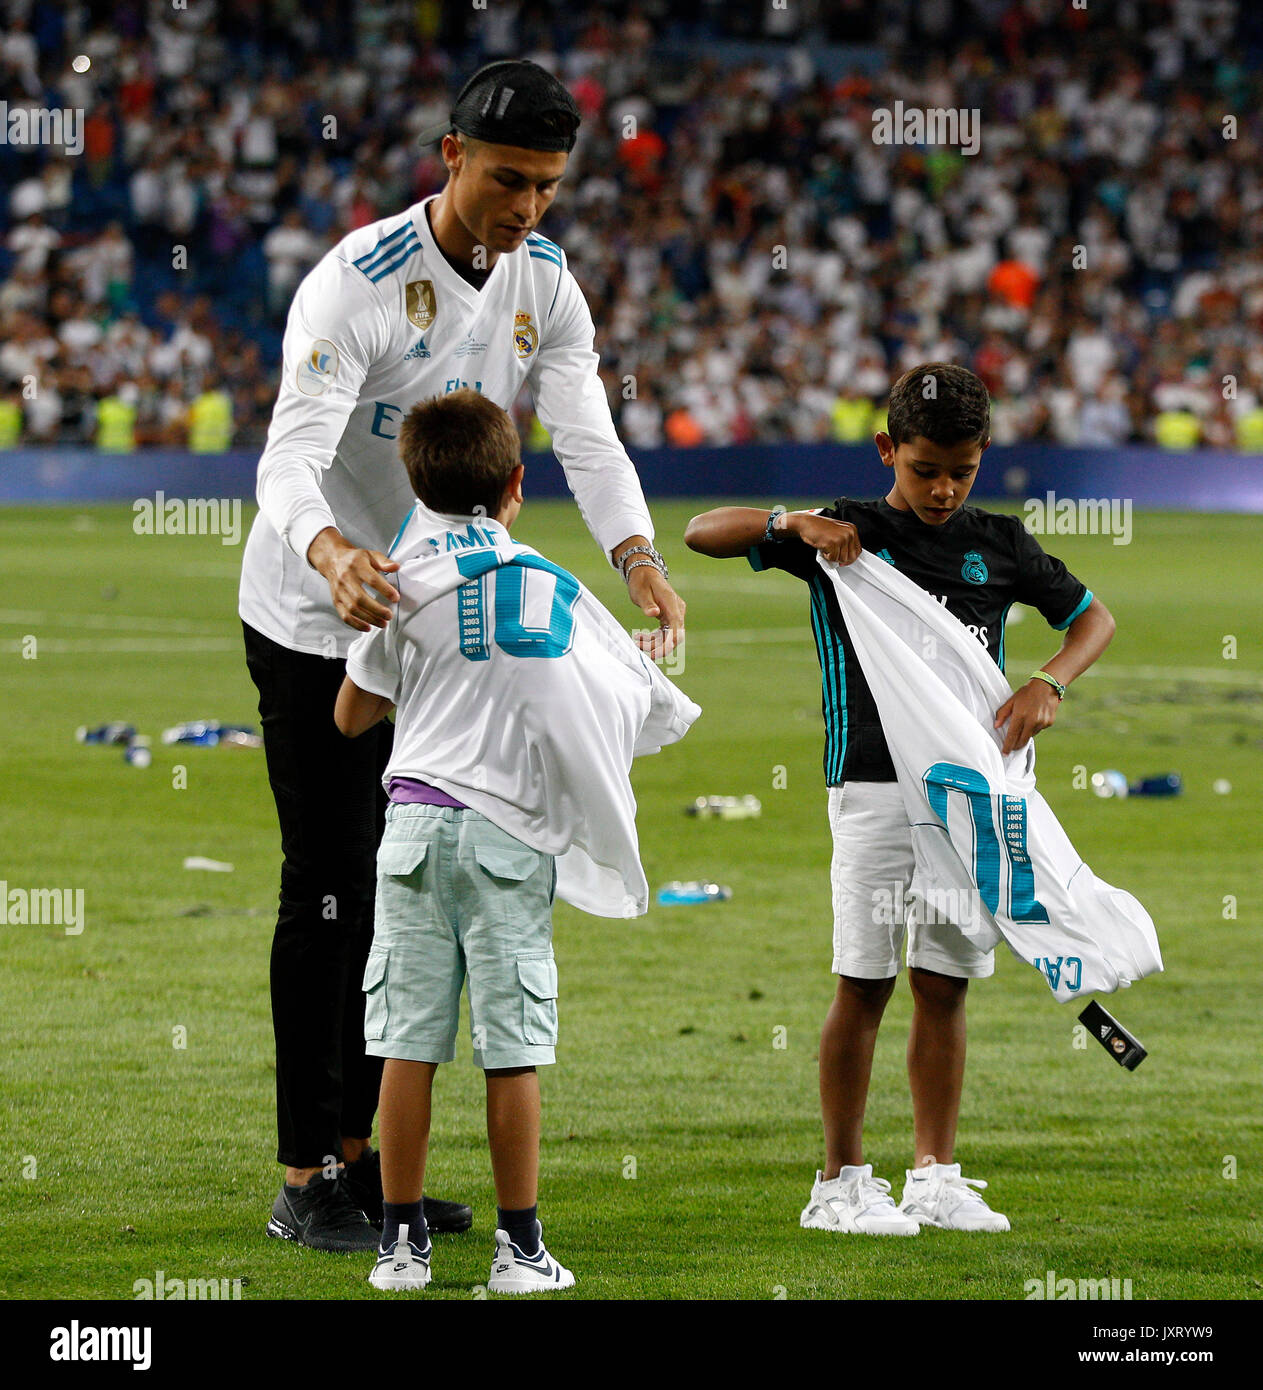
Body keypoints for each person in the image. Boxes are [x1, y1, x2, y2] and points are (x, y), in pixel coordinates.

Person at [239, 58, 685, 1252]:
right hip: (312, 612)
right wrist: (333, 553)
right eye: (506, 179)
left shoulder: (546, 285)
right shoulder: (359, 283)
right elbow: (288, 457)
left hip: (431, 624)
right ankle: (304, 1177)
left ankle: (364, 1169)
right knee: (326, 883)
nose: (527, 206)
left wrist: (637, 554)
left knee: (400, 888)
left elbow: (585, 436)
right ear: (449, 159)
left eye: (546, 186)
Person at [684, 363, 1115, 1235]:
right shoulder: (842, 530)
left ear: (983, 456)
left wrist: (1047, 683)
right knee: (864, 981)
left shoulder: (997, 543)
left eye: (960, 468)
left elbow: (1092, 618)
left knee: (946, 984)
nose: (942, 487)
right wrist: (787, 521)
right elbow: (699, 532)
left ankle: (934, 1174)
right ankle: (838, 1182)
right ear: (888, 449)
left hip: (965, 799)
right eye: (924, 469)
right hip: (874, 787)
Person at [334, 390, 699, 1292]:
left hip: (415, 824)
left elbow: (349, 718)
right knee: (513, 1047)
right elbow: (626, 691)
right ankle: (519, 1248)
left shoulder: (399, 579)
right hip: (506, 837)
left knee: (407, 1044)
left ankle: (399, 1245)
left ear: (413, 482)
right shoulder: (549, 582)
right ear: (515, 486)